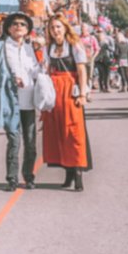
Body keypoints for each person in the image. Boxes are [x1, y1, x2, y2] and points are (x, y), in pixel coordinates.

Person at [0, 13, 40, 191]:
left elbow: (36, 70)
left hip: (29, 100)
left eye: (23, 24)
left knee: (30, 141)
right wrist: (9, 80)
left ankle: (29, 176)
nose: (18, 26)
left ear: (27, 29)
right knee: (14, 141)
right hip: (10, 100)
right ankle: (12, 179)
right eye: (14, 24)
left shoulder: (29, 48)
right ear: (8, 28)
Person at [41, 16, 91, 191]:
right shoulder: (49, 48)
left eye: (58, 27)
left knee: (73, 131)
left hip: (70, 90)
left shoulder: (75, 45)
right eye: (52, 27)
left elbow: (81, 70)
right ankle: (67, 172)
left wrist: (83, 93)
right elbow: (46, 70)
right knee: (57, 132)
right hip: (54, 91)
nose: (55, 30)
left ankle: (77, 173)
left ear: (65, 28)